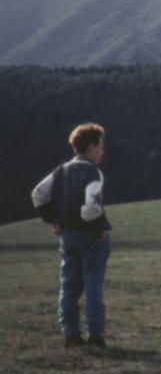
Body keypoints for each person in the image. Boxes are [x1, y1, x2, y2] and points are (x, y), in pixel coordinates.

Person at [31, 123, 112, 349]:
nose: (103, 151)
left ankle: (71, 335)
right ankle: (96, 336)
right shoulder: (93, 172)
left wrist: (53, 220)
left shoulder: (62, 170)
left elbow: (38, 194)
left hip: (67, 236)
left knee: (69, 286)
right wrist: (99, 228)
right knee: (93, 285)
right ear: (91, 147)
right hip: (92, 238)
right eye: (101, 146)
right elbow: (91, 207)